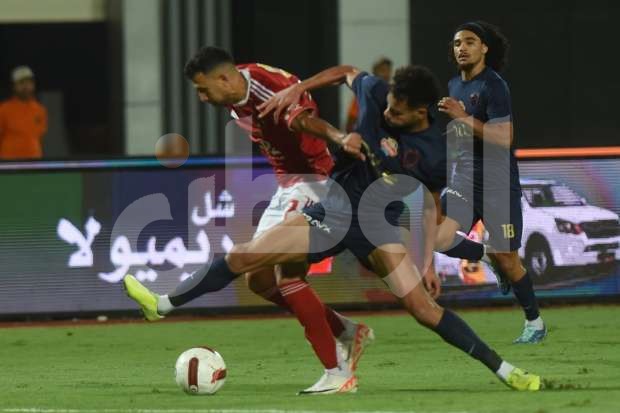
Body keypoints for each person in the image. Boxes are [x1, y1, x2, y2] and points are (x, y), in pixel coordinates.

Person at [124, 62, 541, 393]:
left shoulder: (436, 148)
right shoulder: (376, 93)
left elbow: (430, 203)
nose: (387, 114)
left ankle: (506, 370)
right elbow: (346, 72)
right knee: (247, 259)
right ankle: (164, 305)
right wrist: (298, 89)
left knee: (423, 310)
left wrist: (427, 262)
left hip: (376, 226)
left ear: (420, 113)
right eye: (388, 105)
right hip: (334, 210)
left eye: (397, 112)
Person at [126, 47, 373, 393]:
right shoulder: (238, 83)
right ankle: (345, 331)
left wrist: (340, 137)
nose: (201, 98)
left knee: (283, 273)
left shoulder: (266, 91)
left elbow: (303, 121)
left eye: (203, 89)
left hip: (313, 183)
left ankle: (337, 372)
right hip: (288, 184)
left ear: (224, 79)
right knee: (259, 280)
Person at [437, 21, 546, 344]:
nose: (462, 48)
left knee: (509, 259)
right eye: (457, 42)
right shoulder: (454, 85)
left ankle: (535, 322)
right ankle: (486, 256)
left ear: (484, 48)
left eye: (470, 41)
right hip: (464, 179)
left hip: (497, 184)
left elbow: (504, 137)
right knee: (437, 236)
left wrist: (461, 117)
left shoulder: (494, 85)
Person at [0, 66, 47, 160]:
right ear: (14, 86)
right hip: (9, 162)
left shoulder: (40, 110)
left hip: (34, 161)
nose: (26, 87)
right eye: (21, 83)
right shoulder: (3, 109)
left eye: (29, 82)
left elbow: (39, 136)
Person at [345, 57, 392, 133]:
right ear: (375, 72)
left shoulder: (393, 95)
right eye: (383, 70)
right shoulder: (362, 94)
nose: (386, 74)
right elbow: (350, 123)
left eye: (388, 70)